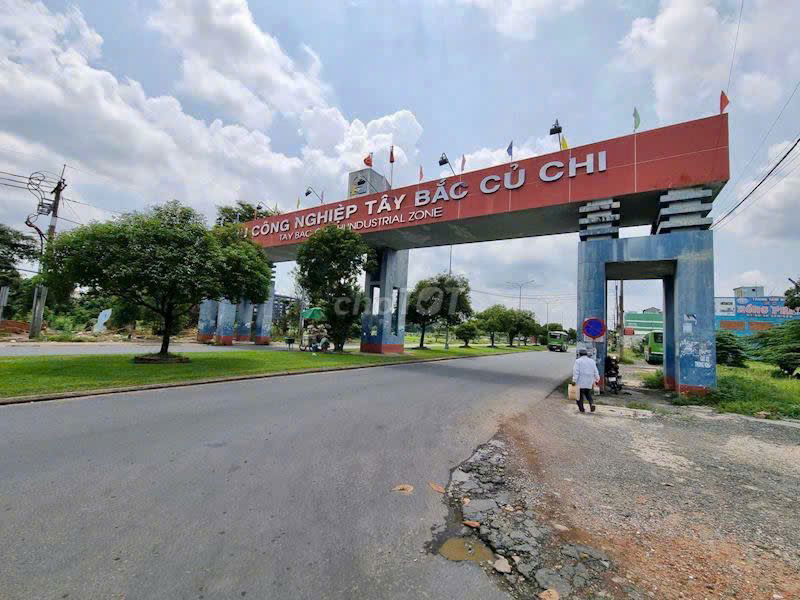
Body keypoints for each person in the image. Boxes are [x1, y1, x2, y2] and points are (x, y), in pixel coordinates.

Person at [572, 348, 600, 413]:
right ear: (586, 354)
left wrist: (574, 380)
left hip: (580, 382)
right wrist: (597, 379)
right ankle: (591, 403)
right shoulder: (592, 361)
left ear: (579, 354)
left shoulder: (578, 361)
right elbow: (596, 371)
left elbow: (576, 372)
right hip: (589, 382)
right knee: (588, 394)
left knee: (579, 396)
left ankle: (582, 409)